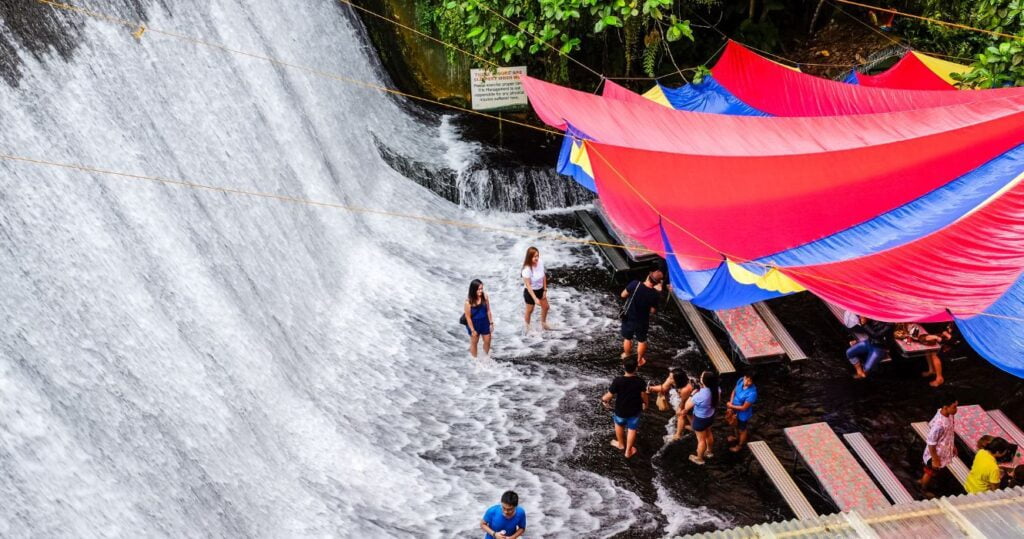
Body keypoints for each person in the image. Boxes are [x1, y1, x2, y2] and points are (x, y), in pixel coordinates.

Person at [602, 357, 648, 458]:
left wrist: (604, 400)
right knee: (632, 429)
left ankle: (621, 444)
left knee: (618, 425)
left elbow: (609, 396)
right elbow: (643, 395)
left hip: (620, 411)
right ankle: (628, 451)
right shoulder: (640, 381)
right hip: (635, 411)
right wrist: (645, 403)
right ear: (636, 368)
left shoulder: (618, 381)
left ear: (623, 367)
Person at [918, 391, 958, 497]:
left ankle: (922, 481)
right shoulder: (939, 425)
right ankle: (923, 489)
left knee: (930, 472)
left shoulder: (949, 415)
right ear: (945, 407)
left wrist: (952, 445)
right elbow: (931, 443)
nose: (956, 410)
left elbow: (949, 432)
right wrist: (935, 459)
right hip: (936, 454)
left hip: (944, 448)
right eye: (954, 407)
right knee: (930, 473)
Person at [619, 270, 663, 367]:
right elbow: (653, 311)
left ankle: (626, 355)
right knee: (642, 340)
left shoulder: (635, 284)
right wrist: (658, 292)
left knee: (628, 338)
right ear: (657, 283)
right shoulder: (655, 294)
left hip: (629, 316)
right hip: (642, 320)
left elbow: (623, 295)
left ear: (648, 276)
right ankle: (639, 360)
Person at [648, 367, 696, 441]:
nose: (669, 379)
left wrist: (679, 409)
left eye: (671, 378)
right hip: (685, 396)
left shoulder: (685, 389)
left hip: (693, 399)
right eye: (669, 376)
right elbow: (663, 387)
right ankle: (686, 426)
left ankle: (678, 435)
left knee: (682, 414)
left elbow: (683, 402)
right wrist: (650, 388)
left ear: (677, 380)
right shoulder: (672, 378)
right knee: (683, 415)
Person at [686, 370, 719, 465]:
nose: (700, 378)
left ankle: (699, 458)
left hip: (700, 419)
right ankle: (709, 452)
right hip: (710, 416)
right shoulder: (717, 389)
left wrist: (692, 394)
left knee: (701, 440)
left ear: (704, 381)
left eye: (701, 377)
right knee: (708, 433)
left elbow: (687, 406)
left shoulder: (700, 395)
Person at [725, 370, 758, 453]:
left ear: (753, 382)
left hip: (743, 414)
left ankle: (740, 445)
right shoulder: (740, 380)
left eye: (750, 380)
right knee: (735, 424)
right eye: (746, 378)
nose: (746, 382)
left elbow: (744, 408)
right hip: (734, 408)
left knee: (742, 429)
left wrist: (730, 406)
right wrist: (731, 403)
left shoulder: (752, 393)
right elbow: (734, 391)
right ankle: (736, 437)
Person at [521, 247, 550, 333]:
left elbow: (543, 276)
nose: (536, 258)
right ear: (529, 258)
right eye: (534, 256)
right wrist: (535, 298)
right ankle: (527, 328)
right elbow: (528, 286)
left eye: (537, 255)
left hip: (540, 289)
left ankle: (543, 324)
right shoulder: (527, 269)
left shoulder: (540, 262)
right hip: (530, 292)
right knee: (530, 310)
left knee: (546, 307)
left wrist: (545, 290)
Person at [464, 279, 494, 358]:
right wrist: (472, 330)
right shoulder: (468, 302)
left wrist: (491, 323)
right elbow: (468, 317)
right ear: (474, 289)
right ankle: (475, 361)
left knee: (487, 341)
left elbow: (488, 311)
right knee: (474, 343)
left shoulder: (485, 297)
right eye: (479, 289)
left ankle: (485, 358)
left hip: (485, 322)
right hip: (474, 324)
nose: (481, 291)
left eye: (481, 289)